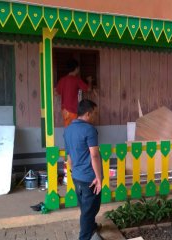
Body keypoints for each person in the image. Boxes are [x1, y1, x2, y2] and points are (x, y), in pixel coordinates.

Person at [64, 99, 103, 240]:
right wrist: (99, 178)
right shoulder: (89, 129)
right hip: (90, 179)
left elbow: (69, 157)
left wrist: (73, 172)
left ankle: (92, 228)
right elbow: (94, 155)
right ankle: (85, 236)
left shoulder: (68, 130)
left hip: (77, 177)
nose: (95, 116)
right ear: (88, 113)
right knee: (89, 211)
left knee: (86, 208)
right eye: (94, 113)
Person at [56, 59, 93, 127]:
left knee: (68, 129)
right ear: (76, 68)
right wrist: (89, 81)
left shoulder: (62, 80)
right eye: (78, 68)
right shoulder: (76, 79)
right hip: (73, 109)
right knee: (75, 129)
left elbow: (57, 92)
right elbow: (89, 89)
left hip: (64, 110)